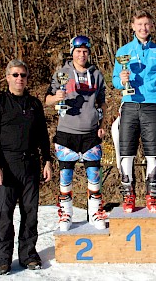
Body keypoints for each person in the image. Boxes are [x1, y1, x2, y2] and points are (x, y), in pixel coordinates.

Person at [0, 59, 52, 275]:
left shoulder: (34, 104)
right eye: (15, 75)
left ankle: (28, 254)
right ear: (7, 78)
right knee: (4, 213)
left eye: (23, 75)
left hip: (31, 164)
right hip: (6, 165)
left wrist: (47, 160)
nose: (19, 79)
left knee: (30, 212)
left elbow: (42, 134)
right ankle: (2, 258)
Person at [45, 35, 107, 231]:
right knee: (66, 176)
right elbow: (47, 99)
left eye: (85, 51)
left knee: (94, 174)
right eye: (78, 51)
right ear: (72, 52)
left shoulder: (96, 74)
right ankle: (66, 214)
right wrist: (57, 97)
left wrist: (102, 122)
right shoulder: (61, 73)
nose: (82, 55)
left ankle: (95, 212)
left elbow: (103, 102)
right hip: (67, 132)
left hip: (90, 133)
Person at [112, 9, 156, 213]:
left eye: (147, 24)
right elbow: (114, 80)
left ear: (151, 26)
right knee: (126, 152)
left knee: (153, 153)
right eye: (139, 24)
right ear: (133, 26)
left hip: (152, 106)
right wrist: (122, 80)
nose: (143, 28)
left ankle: (152, 196)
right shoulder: (123, 51)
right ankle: (128, 196)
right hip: (129, 105)